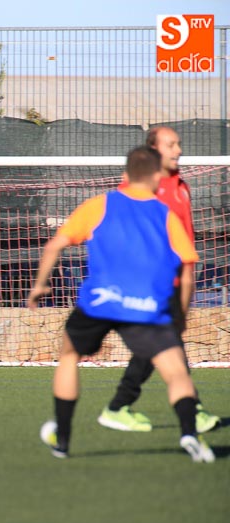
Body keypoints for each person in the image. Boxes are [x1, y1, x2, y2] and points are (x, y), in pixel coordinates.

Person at [28, 145, 214, 462]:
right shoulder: (165, 215)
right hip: (146, 305)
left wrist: (40, 285)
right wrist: (181, 315)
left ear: (125, 175)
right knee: (176, 372)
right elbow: (186, 272)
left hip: (100, 302)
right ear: (157, 177)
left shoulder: (99, 205)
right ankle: (188, 434)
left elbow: (54, 246)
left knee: (69, 356)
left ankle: (62, 440)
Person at [97, 126, 221, 434]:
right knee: (167, 347)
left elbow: (185, 238)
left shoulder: (181, 185)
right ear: (153, 150)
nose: (178, 150)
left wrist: (187, 275)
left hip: (175, 281)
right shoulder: (138, 186)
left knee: (160, 349)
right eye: (171, 145)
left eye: (179, 144)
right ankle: (188, 410)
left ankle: (120, 407)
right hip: (148, 284)